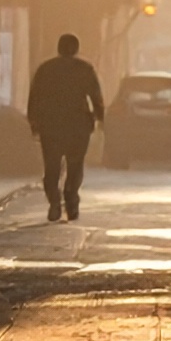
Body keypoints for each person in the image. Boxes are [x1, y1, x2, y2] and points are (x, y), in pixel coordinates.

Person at [25, 33, 106, 222]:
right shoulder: (85, 69)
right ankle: (71, 199)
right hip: (78, 126)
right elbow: (96, 97)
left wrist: (34, 122)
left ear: (59, 48)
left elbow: (34, 96)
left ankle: (54, 201)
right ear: (76, 49)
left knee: (51, 167)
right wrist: (99, 118)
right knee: (75, 165)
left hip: (51, 125)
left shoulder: (45, 69)